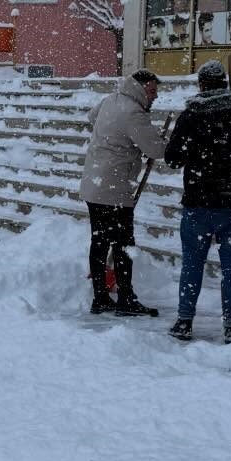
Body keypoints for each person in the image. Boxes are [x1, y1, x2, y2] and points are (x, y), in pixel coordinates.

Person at [164, 60, 231, 343]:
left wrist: (195, 151)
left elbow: (171, 158)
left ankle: (184, 320)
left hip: (198, 202)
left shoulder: (191, 116)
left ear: (202, 85)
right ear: (225, 85)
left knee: (193, 263)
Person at [78, 70, 167, 316]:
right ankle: (126, 299)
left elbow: (91, 116)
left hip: (95, 182)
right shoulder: (133, 112)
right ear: (139, 89)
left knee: (99, 241)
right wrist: (158, 142)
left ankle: (101, 297)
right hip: (113, 188)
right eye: (151, 91)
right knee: (123, 243)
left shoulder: (111, 100)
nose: (155, 96)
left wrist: (115, 140)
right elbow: (157, 149)